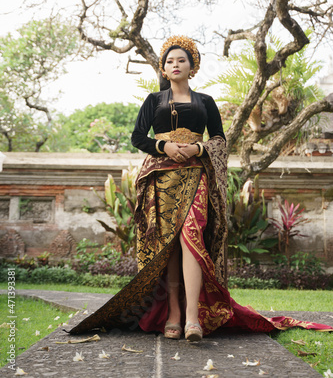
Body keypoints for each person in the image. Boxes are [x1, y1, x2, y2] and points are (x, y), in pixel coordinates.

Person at [69, 36, 333, 338]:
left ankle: (193, 316)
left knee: (190, 238)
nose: (175, 65)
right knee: (167, 246)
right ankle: (174, 313)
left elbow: (220, 140)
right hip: (161, 178)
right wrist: (164, 145)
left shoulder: (205, 102)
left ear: (192, 66)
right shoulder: (153, 101)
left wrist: (197, 150)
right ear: (164, 69)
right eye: (169, 61)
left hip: (196, 175)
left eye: (181, 60)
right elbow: (138, 138)